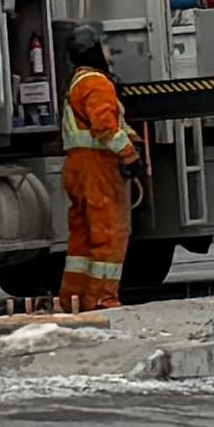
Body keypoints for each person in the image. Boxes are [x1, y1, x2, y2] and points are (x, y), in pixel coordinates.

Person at [56, 23, 139, 312]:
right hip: (98, 168)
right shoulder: (96, 83)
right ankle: (102, 298)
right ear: (93, 50)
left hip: (78, 166)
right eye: (103, 45)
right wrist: (130, 155)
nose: (109, 51)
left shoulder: (77, 81)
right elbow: (106, 127)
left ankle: (73, 298)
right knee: (109, 232)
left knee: (82, 237)